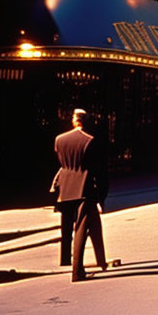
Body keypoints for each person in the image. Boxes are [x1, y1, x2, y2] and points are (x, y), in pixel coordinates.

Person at [51, 109, 109, 282]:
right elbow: (99, 171)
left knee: (66, 225)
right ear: (85, 121)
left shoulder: (59, 140)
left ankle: (66, 259)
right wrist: (101, 195)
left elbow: (61, 162)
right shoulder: (90, 141)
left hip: (65, 188)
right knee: (81, 230)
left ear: (73, 121)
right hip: (84, 188)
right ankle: (77, 271)